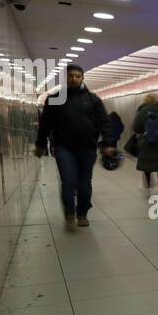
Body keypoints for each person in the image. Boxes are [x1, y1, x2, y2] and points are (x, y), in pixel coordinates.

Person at [33, 64, 116, 231]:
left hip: (87, 148)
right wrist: (40, 145)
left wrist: (107, 143)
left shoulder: (93, 100)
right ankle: (70, 213)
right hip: (64, 147)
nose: (74, 79)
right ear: (66, 77)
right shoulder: (55, 98)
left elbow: (105, 123)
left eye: (78, 76)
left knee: (85, 182)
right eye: (71, 76)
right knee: (68, 181)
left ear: (83, 78)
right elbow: (45, 125)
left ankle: (82, 213)